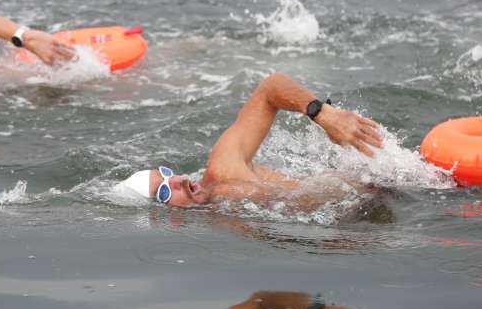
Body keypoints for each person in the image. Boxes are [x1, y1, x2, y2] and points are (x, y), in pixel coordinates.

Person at [116, 72, 384, 207]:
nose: (177, 180)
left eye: (166, 173)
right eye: (163, 191)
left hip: (384, 187)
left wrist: (323, 114)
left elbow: (271, 87)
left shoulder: (223, 170)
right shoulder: (218, 230)